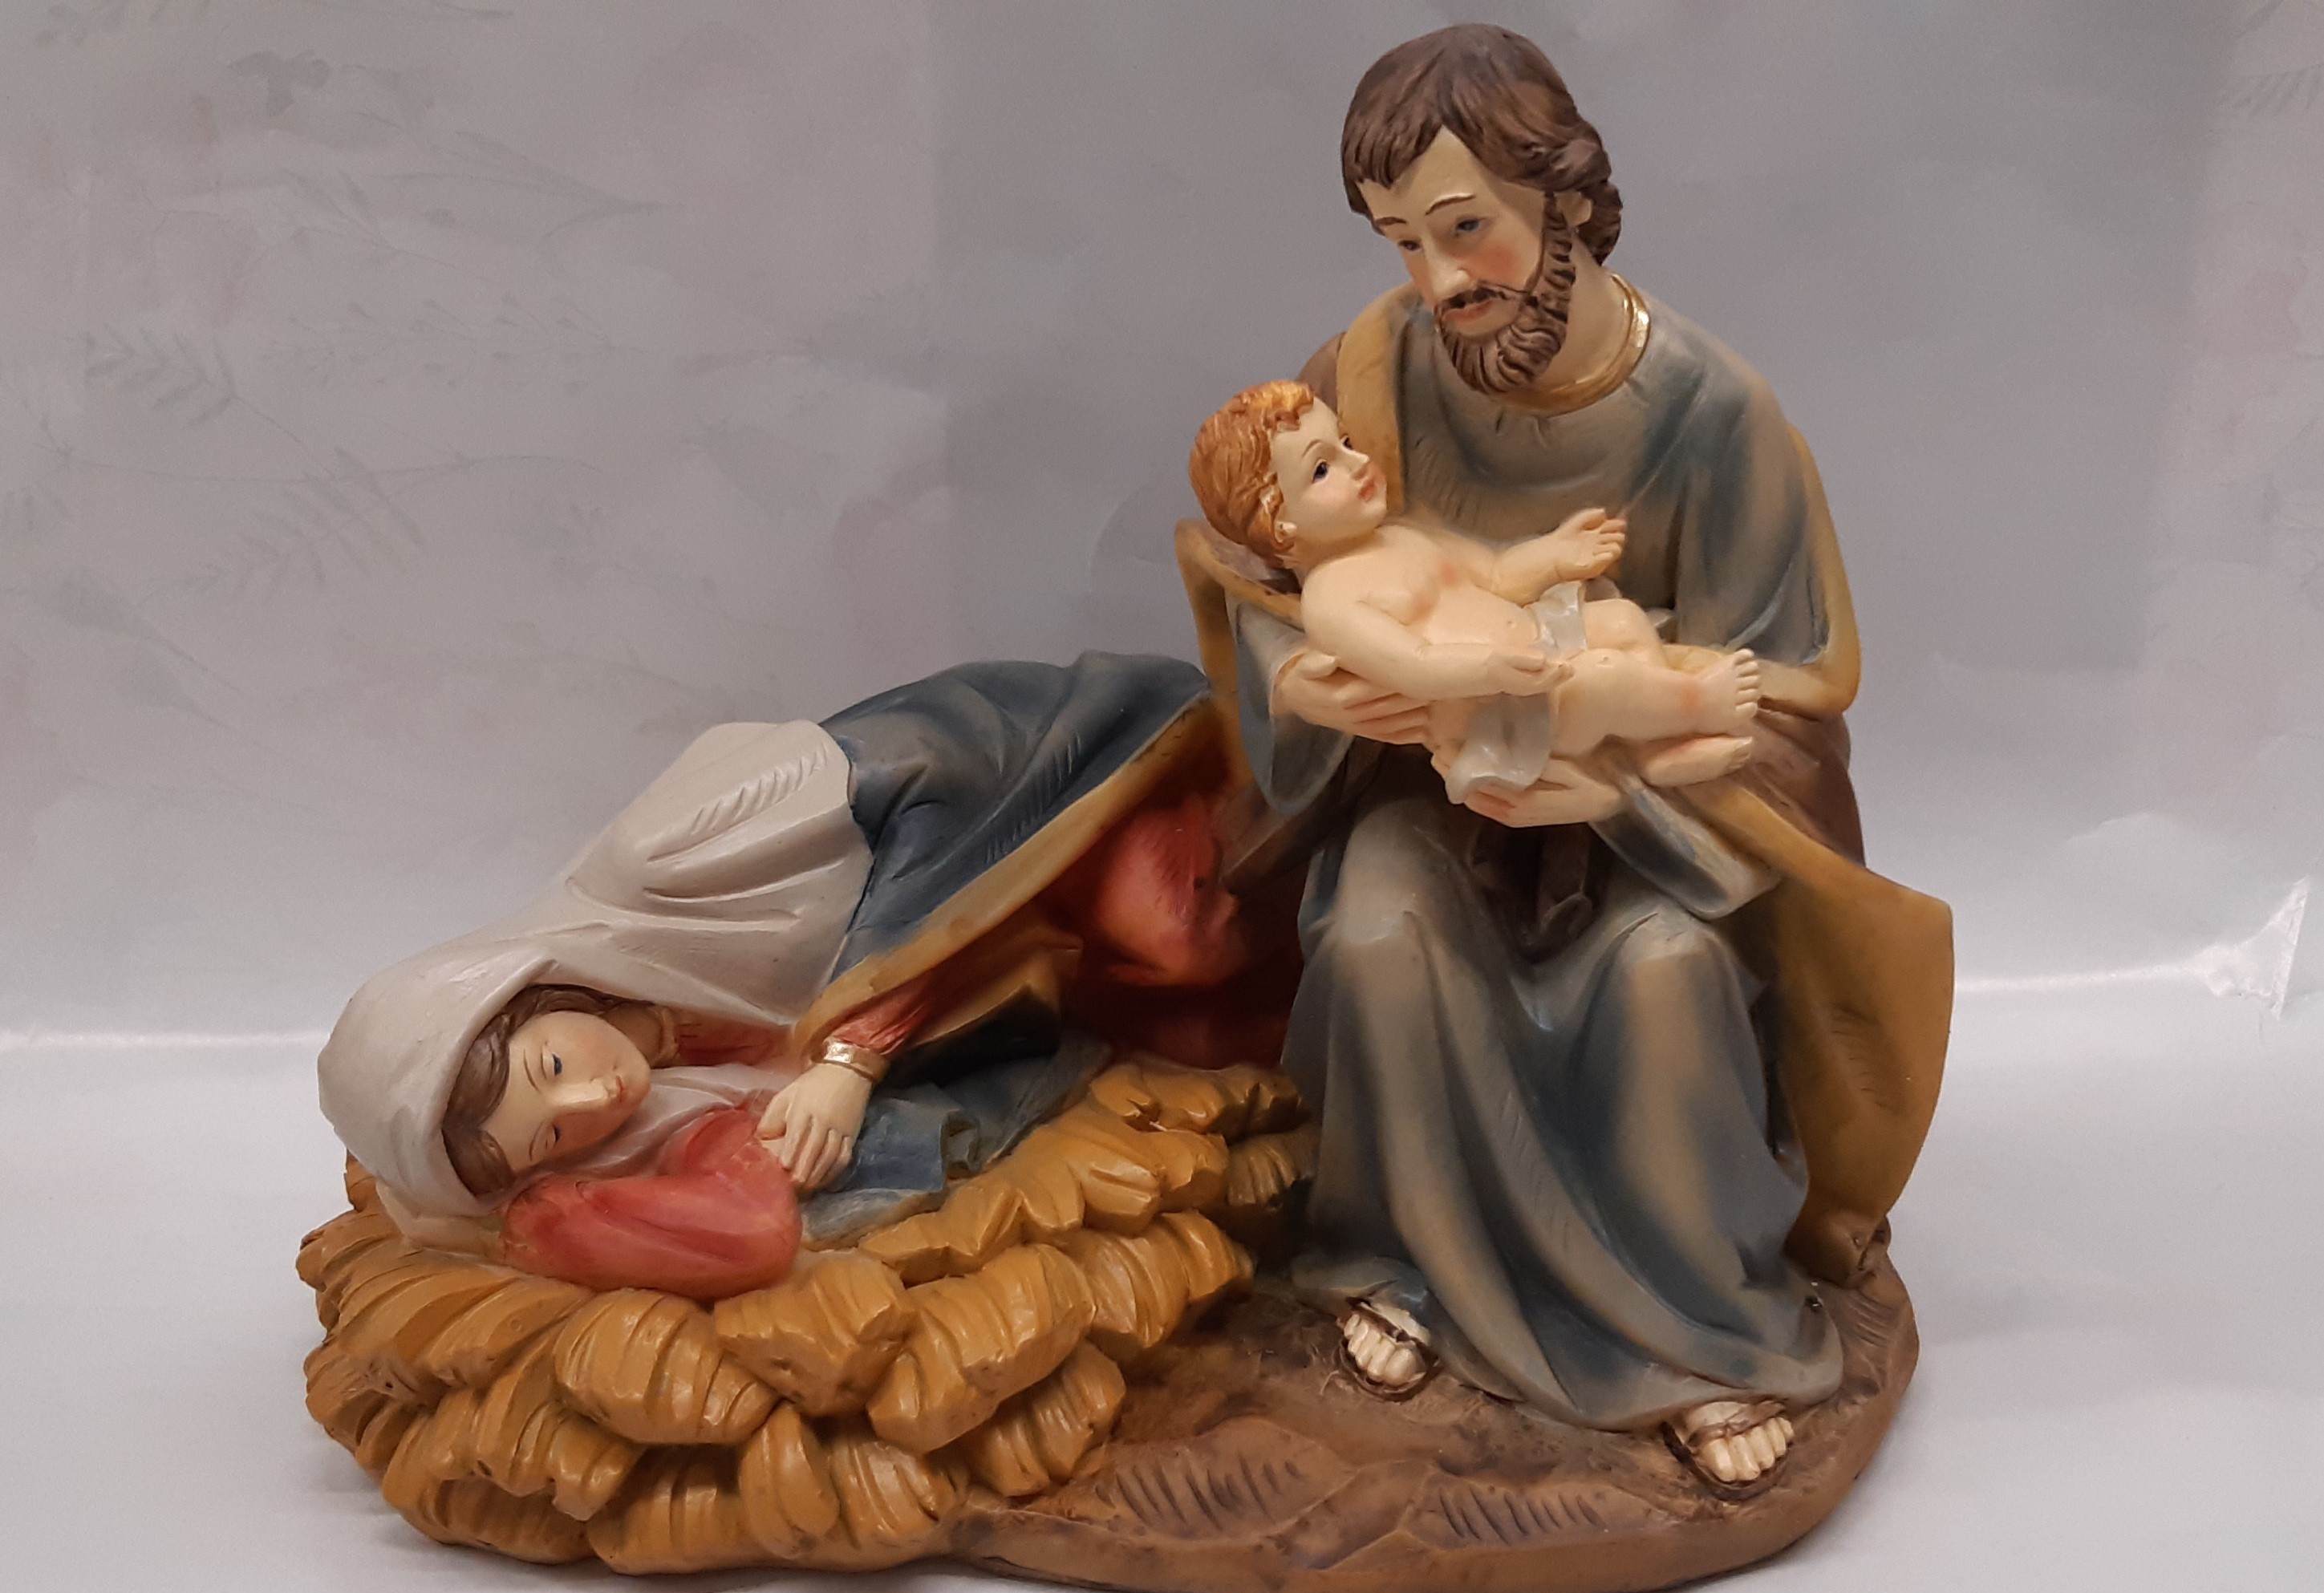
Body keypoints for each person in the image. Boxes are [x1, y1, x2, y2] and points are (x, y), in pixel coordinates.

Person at [1186, 25, 1952, 1490]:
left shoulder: (1714, 415)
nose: (1437, 283)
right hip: (1435, 794)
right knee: (1377, 930)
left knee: (1660, 980)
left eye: (1462, 228)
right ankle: (1404, 1263)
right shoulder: (1367, 373)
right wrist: (1329, 698)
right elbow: (1268, 588)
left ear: (1566, 198)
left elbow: (1786, 700)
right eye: (1400, 242)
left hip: (1655, 829)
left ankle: (1691, 1335)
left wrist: (1608, 756)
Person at [319, 655, 1292, 1301]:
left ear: (526, 995)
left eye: (550, 1066)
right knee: (1203, 1045)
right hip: (1020, 967)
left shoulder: (665, 865)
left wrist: (850, 1059)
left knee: (1179, 937)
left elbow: (925, 777)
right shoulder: (672, 1078)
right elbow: (745, 1224)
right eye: (556, 1133)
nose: (595, 1097)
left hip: (1053, 789)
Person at [1188, 380, 1763, 802]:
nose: (1359, 462)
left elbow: (1495, 574)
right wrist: (1490, 669)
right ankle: (1701, 703)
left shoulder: (1398, 535)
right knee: (1606, 677)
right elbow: (1413, 665)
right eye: (1322, 470)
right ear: (1281, 526)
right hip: (1497, 712)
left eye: (1344, 440)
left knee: (1620, 621)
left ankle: (1655, 751)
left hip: (1537, 647)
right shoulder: (1330, 603)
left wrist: (1554, 554)